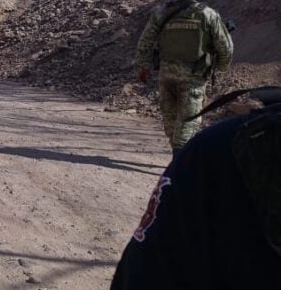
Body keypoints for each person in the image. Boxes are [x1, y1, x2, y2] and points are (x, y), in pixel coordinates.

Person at [111, 87, 281, 289]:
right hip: (192, 80)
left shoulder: (218, 149)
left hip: (170, 75)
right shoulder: (222, 150)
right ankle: (178, 148)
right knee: (185, 122)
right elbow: (223, 53)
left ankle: (177, 149)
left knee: (175, 120)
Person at [133, 0, 233, 153]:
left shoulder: (161, 12)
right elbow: (225, 48)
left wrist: (142, 68)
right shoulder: (208, 15)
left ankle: (178, 155)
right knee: (188, 121)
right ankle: (179, 162)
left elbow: (145, 43)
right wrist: (220, 68)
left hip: (166, 75)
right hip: (194, 78)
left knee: (171, 121)